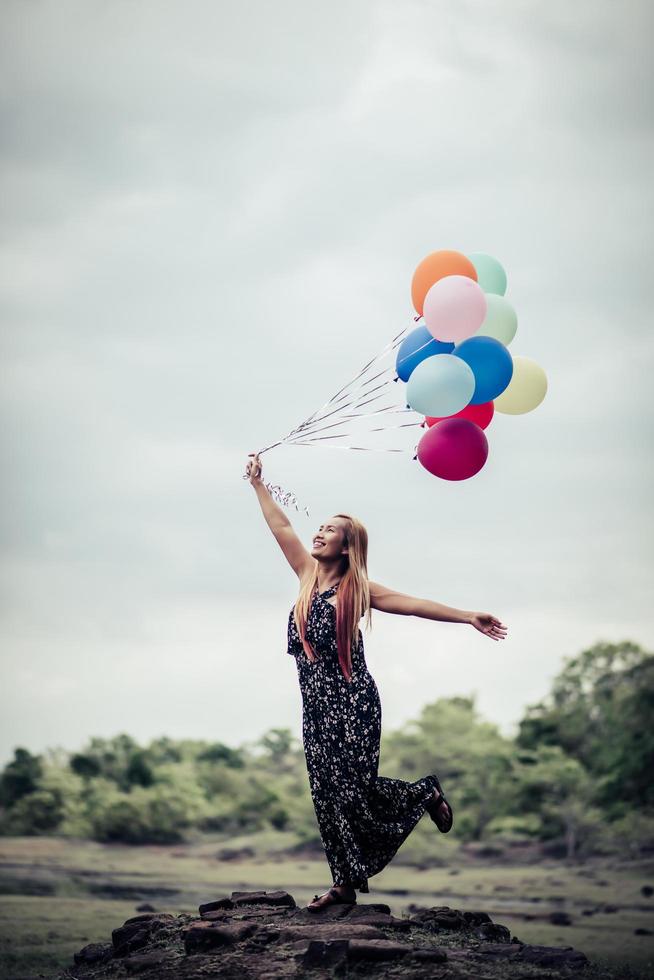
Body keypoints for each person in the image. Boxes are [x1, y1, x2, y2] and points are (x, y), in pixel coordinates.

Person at [245, 451, 508, 910]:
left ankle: (423, 792)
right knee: (326, 795)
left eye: (330, 530)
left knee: (353, 791)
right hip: (316, 709)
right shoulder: (306, 578)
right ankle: (343, 885)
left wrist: (468, 616)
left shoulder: (358, 589)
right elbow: (281, 528)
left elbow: (414, 603)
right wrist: (258, 485)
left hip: (354, 704)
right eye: (320, 527)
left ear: (347, 547)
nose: (319, 532)